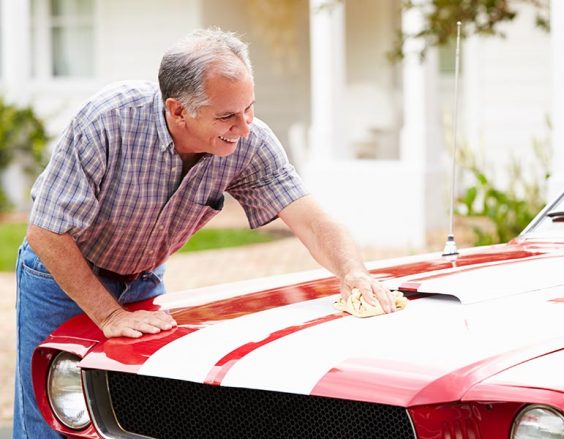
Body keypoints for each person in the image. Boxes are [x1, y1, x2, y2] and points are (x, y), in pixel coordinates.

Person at [13, 28, 396, 438]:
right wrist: (108, 314)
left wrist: (352, 273)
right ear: (178, 111)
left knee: (126, 415)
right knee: (53, 416)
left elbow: (311, 219)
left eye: (249, 108)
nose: (244, 127)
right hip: (59, 277)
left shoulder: (250, 142)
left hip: (142, 280)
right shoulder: (108, 119)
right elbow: (46, 232)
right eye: (227, 115)